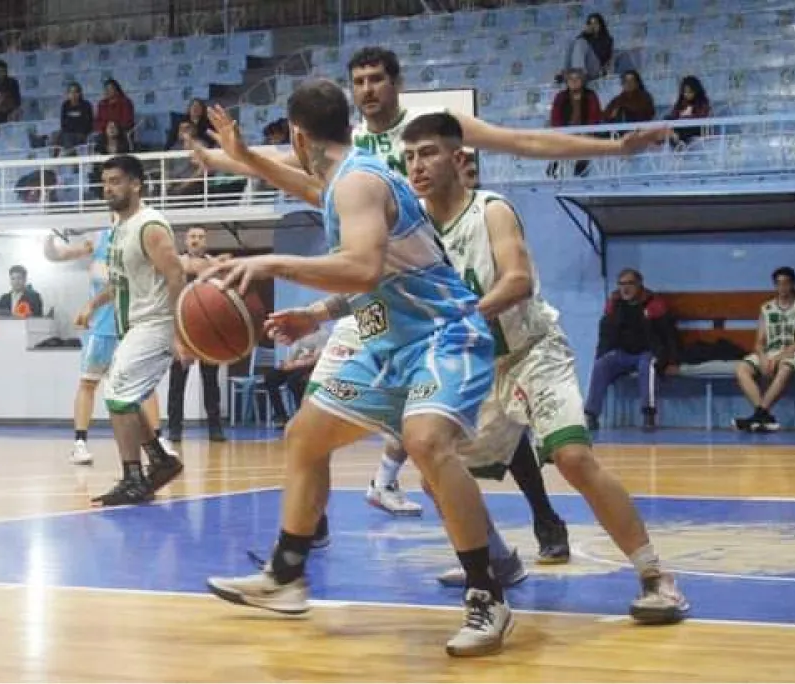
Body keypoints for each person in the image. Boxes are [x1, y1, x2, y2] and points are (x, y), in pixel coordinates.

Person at [192, 45, 666, 532]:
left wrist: (614, 148)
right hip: (376, 295)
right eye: (358, 82)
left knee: (443, 430)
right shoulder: (348, 148)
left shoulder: (432, 126)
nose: (368, 89)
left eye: (377, 78)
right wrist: (225, 157)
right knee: (314, 418)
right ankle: (306, 532)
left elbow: (522, 142)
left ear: (397, 82)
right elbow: (297, 176)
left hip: (433, 284)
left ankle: (515, 531)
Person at [201, 82, 512, 657]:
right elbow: (308, 189)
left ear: (297, 134)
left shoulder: (360, 181)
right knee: (305, 435)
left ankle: (486, 593)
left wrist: (269, 259)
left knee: (426, 443)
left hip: (443, 331)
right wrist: (244, 159)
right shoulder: (348, 180)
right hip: (389, 336)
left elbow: (363, 267)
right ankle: (287, 574)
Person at [398, 114, 687, 617]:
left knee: (573, 459)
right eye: (410, 157)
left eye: (428, 153)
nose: (417, 165)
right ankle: (497, 559)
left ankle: (656, 575)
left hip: (535, 351)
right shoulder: (415, 232)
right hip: (482, 368)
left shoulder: (491, 209)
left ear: (459, 159)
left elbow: (518, 282)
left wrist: (463, 315)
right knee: (432, 467)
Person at [77, 156, 187, 507]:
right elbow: (125, 283)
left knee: (117, 393)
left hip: (156, 323)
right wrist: (93, 305)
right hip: (134, 324)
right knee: (124, 394)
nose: (108, 188)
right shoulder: (120, 229)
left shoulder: (149, 225)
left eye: (116, 181)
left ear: (136, 184)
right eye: (105, 182)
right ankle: (160, 459)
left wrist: (180, 332)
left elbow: (176, 277)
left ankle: (133, 477)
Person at [43, 231, 171, 465]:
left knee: (145, 387)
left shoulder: (142, 237)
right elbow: (58, 254)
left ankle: (158, 440)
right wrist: (48, 241)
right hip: (102, 327)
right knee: (88, 383)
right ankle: (79, 444)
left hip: (133, 326)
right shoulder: (100, 239)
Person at [584, 268, 679, 431]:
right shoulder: (614, 304)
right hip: (622, 353)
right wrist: (601, 355)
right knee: (601, 364)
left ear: (639, 284)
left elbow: (669, 335)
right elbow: (605, 334)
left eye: (629, 284)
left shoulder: (654, 304)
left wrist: (673, 361)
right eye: (621, 284)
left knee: (647, 365)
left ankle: (648, 414)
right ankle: (591, 414)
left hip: (648, 352)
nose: (625, 288)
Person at [733, 267, 795, 432]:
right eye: (778, 284)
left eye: (786, 283)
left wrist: (777, 358)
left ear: (792, 285)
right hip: (769, 352)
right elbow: (759, 342)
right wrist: (762, 357)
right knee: (742, 368)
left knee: (785, 367)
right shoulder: (766, 308)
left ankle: (760, 414)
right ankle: (763, 414)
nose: (782, 288)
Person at [167, 226, 227, 442]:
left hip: (207, 328)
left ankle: (215, 428)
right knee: (177, 382)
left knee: (211, 382)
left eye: (200, 237)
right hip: (183, 326)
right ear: (185, 240)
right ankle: (174, 428)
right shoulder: (177, 262)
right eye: (192, 236)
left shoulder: (213, 265)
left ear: (206, 241)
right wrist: (175, 336)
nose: (196, 240)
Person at [263, 325, 328, 427]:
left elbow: (315, 359)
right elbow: (293, 354)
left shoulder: (323, 335)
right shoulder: (301, 334)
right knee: (271, 377)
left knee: (294, 381)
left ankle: (301, 415)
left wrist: (293, 365)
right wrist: (285, 364)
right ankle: (281, 416)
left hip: (312, 368)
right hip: (295, 366)